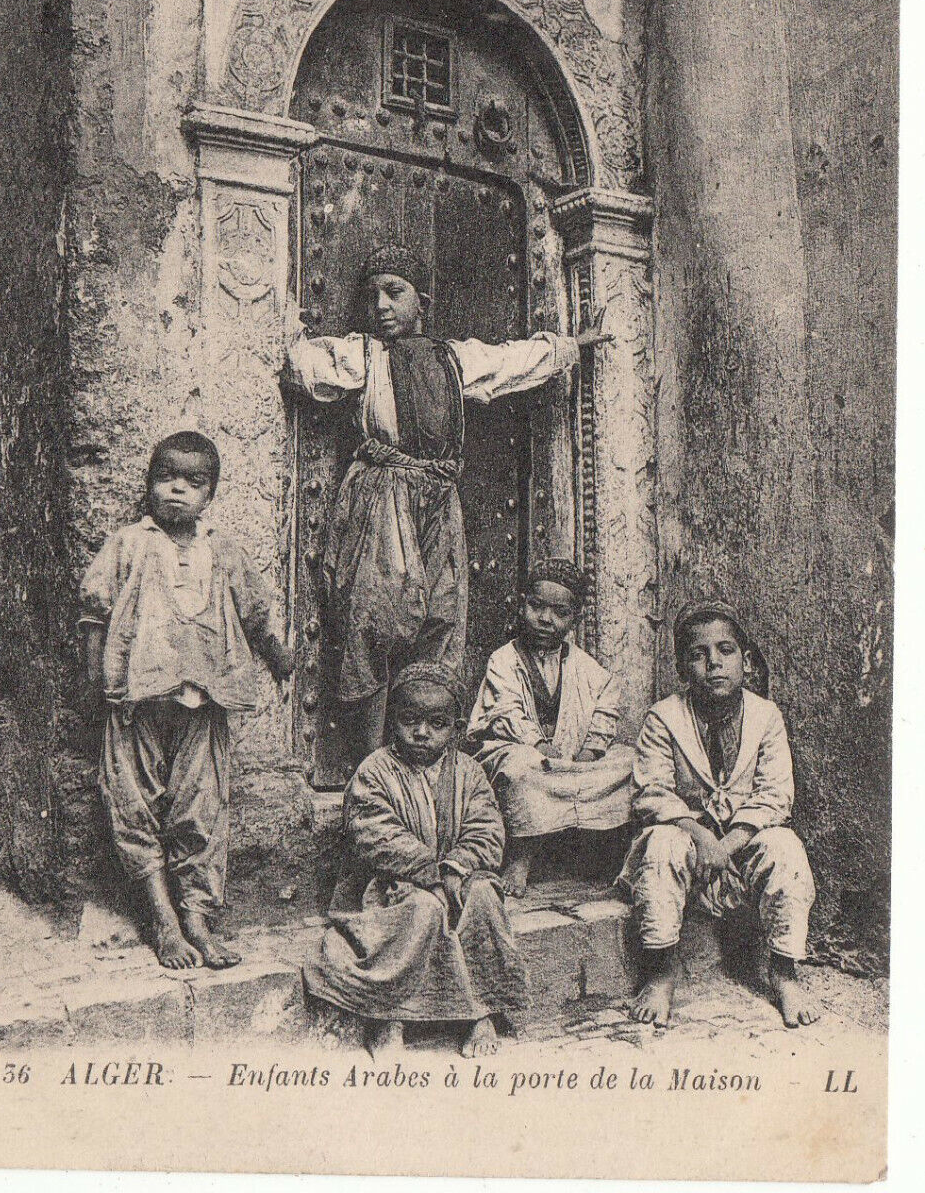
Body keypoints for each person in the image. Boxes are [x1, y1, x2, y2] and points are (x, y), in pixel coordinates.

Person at [284, 244, 611, 767]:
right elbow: (307, 368)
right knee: (374, 621)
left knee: (440, 616)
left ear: (423, 302)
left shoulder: (453, 359)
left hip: (438, 502)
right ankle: (372, 765)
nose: (382, 306)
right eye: (374, 296)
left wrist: (569, 346)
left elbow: (511, 362)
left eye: (396, 293)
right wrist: (284, 330)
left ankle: (428, 760)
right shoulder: (362, 355)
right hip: (382, 498)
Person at [79, 431, 293, 971]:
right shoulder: (128, 543)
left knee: (202, 807)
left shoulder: (222, 548)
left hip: (203, 703)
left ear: (211, 493)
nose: (177, 489)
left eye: (194, 481)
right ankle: (163, 920)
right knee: (133, 805)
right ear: (149, 483)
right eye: (165, 477)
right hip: (136, 704)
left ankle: (197, 915)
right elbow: (95, 614)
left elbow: (256, 612)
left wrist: (279, 656)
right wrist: (96, 681)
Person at [302, 661, 529, 1058]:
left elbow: (487, 829)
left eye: (437, 723)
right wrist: (429, 875)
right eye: (410, 720)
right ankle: (389, 1017)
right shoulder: (374, 772)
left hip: (456, 878)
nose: (421, 732)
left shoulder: (470, 773)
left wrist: (457, 869)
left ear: (457, 729)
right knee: (422, 910)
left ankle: (479, 1011)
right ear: (392, 722)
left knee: (485, 900)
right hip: (391, 887)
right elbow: (375, 833)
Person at [618, 598, 820, 1029]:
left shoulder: (766, 717)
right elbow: (652, 792)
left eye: (725, 651)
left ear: (745, 661)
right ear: (681, 668)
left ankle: (784, 972)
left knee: (786, 849)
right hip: (689, 842)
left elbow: (775, 794)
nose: (714, 664)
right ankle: (661, 972)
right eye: (698, 654)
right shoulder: (663, 717)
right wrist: (702, 837)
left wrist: (726, 844)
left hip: (742, 844)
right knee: (661, 844)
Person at [466, 560, 634, 897]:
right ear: (522, 604)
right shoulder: (504, 660)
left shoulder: (588, 668)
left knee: (629, 762)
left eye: (559, 612)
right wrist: (539, 746)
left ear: (575, 619)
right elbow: (506, 711)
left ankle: (613, 857)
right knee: (519, 768)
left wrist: (590, 751)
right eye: (537, 606)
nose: (546, 619)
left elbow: (605, 708)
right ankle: (522, 854)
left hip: (572, 758)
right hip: (522, 751)